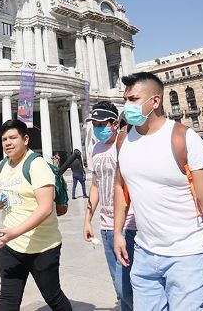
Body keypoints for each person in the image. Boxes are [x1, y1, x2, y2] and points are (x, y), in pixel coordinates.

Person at [113, 72, 203, 310]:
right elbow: (120, 187)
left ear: (155, 101)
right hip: (144, 256)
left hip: (187, 257)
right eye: (126, 100)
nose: (127, 106)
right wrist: (118, 232)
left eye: (133, 99)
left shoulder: (184, 138)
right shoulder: (123, 140)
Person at [0, 119, 72, 311]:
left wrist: (14, 233)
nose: (8, 143)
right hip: (11, 246)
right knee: (8, 300)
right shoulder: (2, 166)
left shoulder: (37, 165)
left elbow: (45, 208)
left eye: (13, 138)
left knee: (53, 297)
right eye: (4, 139)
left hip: (42, 247)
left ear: (25, 139)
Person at [83, 101, 137, 311]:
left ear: (114, 123)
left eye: (101, 123)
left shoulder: (125, 144)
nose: (97, 128)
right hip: (106, 226)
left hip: (129, 223)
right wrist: (88, 219)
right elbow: (95, 185)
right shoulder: (95, 149)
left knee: (125, 285)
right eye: (94, 124)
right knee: (119, 284)